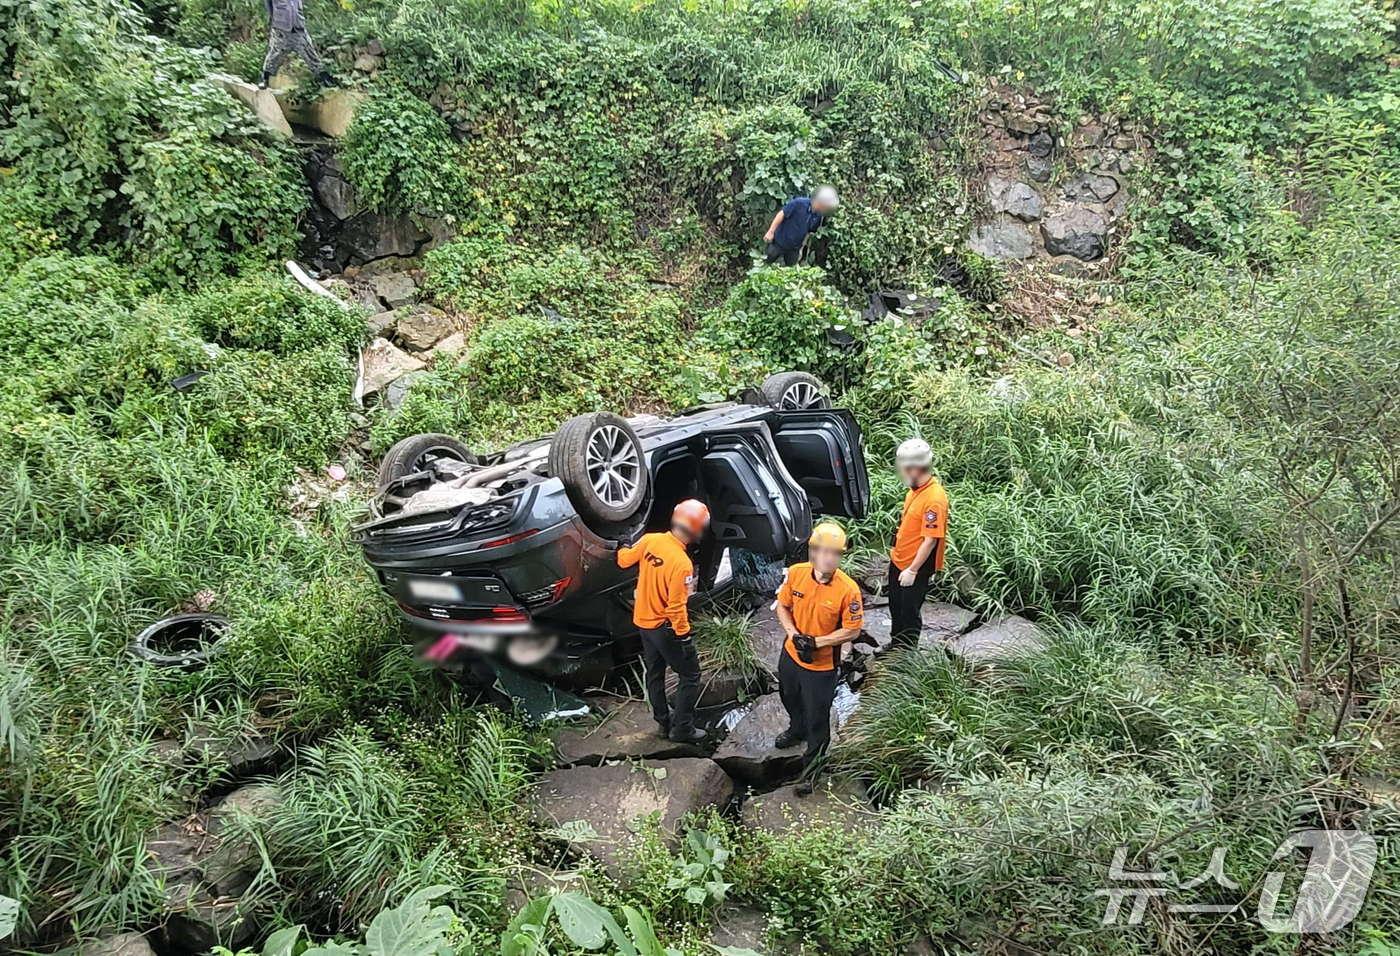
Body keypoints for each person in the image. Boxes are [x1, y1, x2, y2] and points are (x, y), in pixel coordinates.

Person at [773, 522, 864, 792]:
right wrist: (792, 634)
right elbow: (783, 607)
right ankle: (795, 728)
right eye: (823, 551)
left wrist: (817, 643)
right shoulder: (797, 575)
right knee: (787, 694)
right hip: (791, 653)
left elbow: (853, 629)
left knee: (818, 718)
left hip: (822, 666)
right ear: (813, 551)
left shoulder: (848, 590)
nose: (828, 558)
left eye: (835, 553)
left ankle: (812, 772)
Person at [616, 500, 711, 743]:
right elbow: (676, 607)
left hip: (643, 623)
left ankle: (663, 720)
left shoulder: (651, 540)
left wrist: (624, 543)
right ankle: (683, 728)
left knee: (654, 673)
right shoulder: (682, 564)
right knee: (690, 675)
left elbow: (624, 560)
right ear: (696, 528)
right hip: (664, 628)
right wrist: (684, 636)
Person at [887, 438, 949, 649]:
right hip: (899, 559)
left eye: (905, 469)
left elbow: (931, 540)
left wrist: (912, 570)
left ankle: (906, 652)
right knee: (895, 605)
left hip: (915, 566)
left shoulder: (934, 499)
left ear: (917, 468)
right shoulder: (914, 491)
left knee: (909, 611)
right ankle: (896, 642)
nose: (902, 474)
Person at [259, 0, 333, 89]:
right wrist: (274, 18)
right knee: (274, 54)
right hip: (281, 26)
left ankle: (324, 78)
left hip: (298, 26)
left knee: (310, 53)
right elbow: (268, 4)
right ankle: (264, 78)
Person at [762, 185, 839, 266]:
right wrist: (770, 232)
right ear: (820, 203)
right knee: (766, 264)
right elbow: (782, 214)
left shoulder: (818, 216)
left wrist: (801, 249)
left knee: (791, 272)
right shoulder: (799, 203)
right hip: (779, 242)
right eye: (825, 207)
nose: (825, 210)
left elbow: (809, 232)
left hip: (794, 249)